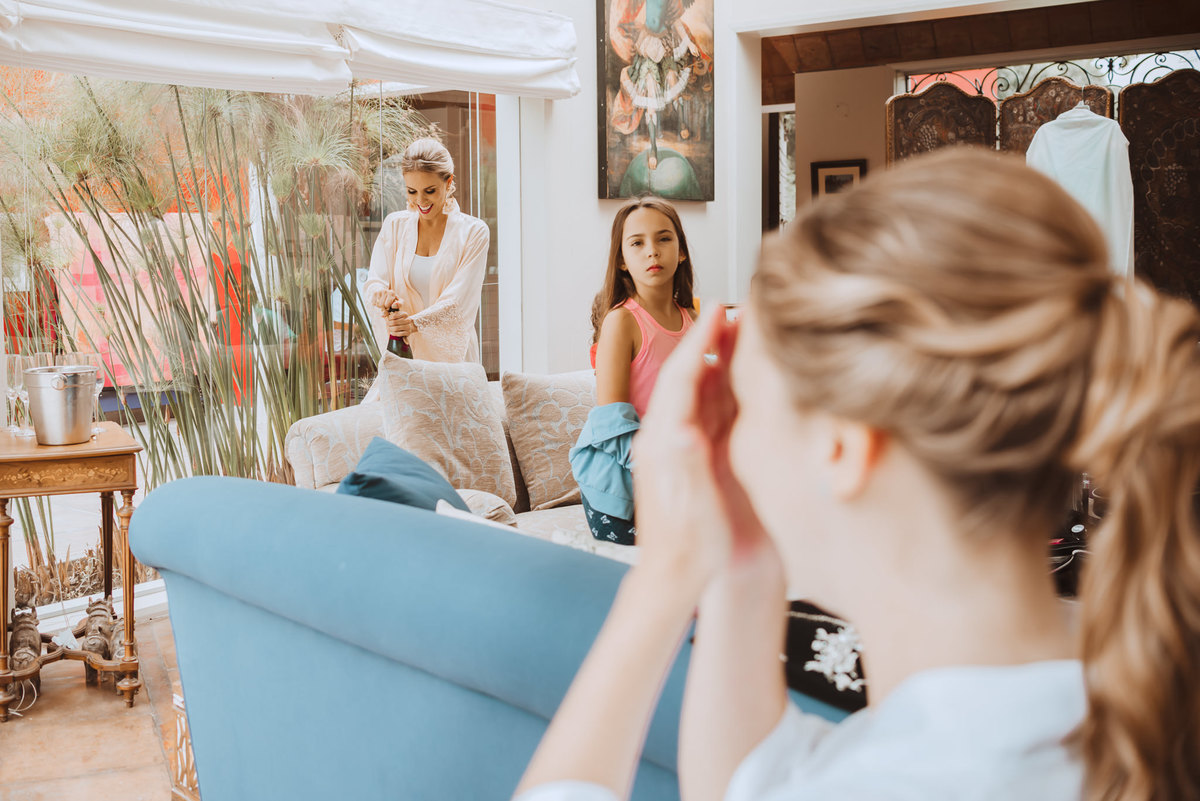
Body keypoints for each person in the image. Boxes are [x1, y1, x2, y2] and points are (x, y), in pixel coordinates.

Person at [517, 149, 1200, 801]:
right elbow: (749, 780)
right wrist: (742, 567)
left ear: (843, 447)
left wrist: (662, 576)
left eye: (752, 405)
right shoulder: (1126, 724)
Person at [571, 197, 697, 545]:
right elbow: (612, 425)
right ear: (622, 260)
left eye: (664, 239)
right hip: (620, 488)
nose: (652, 252)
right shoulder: (621, 322)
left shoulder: (693, 321)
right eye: (637, 243)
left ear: (682, 251)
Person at [362, 137, 489, 363]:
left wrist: (413, 324)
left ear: (449, 182)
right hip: (404, 358)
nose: (420, 201)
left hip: (454, 362)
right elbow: (374, 282)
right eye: (412, 191)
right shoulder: (394, 225)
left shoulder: (474, 232)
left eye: (430, 190)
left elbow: (458, 303)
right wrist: (381, 295)